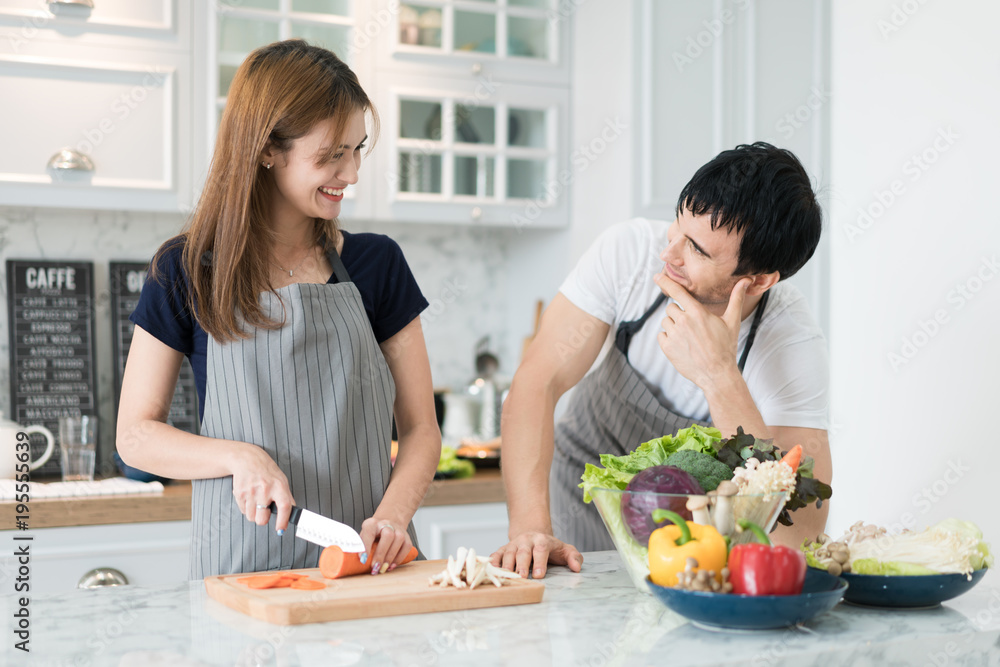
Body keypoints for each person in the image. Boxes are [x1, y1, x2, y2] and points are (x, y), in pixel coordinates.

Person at [116, 40, 440, 578]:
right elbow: (135, 435)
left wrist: (394, 516)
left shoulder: (376, 263)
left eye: (358, 149)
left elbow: (421, 428)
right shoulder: (186, 269)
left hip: (371, 569)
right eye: (331, 154)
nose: (352, 173)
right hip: (245, 575)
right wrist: (238, 457)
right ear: (267, 149)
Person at [491, 142, 831, 579]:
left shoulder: (791, 343)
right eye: (677, 225)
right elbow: (535, 383)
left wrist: (719, 375)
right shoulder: (626, 252)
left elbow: (799, 534)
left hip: (698, 526)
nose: (668, 254)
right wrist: (529, 529)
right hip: (586, 490)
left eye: (697, 250)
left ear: (759, 280)